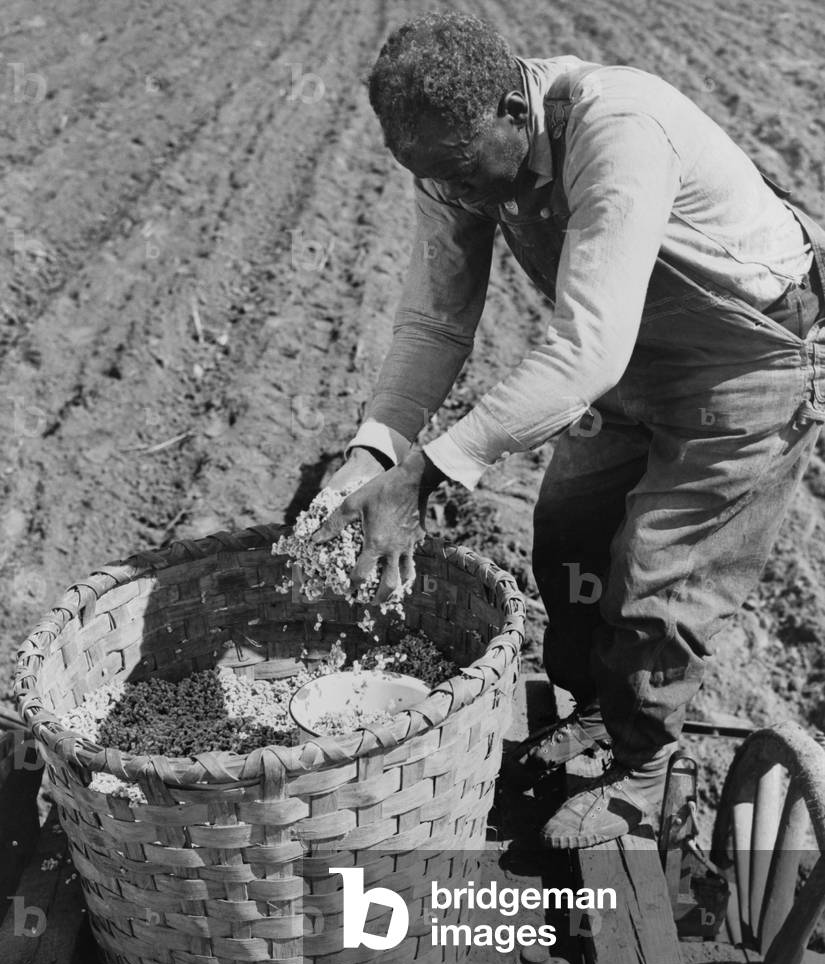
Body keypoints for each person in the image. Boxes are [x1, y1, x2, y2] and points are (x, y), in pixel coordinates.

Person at [313, 11, 825, 848]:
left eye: (468, 177)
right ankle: (597, 713)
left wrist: (424, 477)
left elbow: (584, 347)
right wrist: (373, 449)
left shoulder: (617, 128)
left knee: (661, 581)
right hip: (630, 358)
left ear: (516, 111)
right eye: (437, 180)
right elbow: (436, 323)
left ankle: (644, 771)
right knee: (570, 535)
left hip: (746, 366)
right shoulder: (449, 161)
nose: (464, 198)